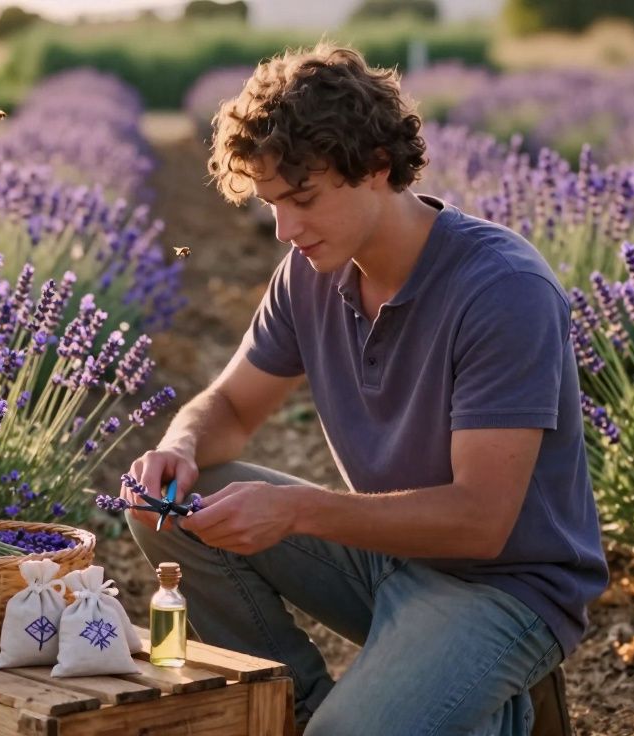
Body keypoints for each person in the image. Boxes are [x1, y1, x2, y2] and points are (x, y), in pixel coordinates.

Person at [120, 43, 608, 736]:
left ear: (377, 166)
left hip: (505, 586)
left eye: (303, 199)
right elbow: (228, 407)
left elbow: (481, 519)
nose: (285, 230)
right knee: (168, 506)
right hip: (392, 557)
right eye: (270, 205)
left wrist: (293, 511)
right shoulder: (310, 271)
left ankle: (503, 711)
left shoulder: (502, 289)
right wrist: (179, 446)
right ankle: (295, 712)